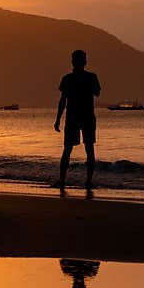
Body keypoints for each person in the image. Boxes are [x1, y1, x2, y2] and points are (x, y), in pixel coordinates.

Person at [54, 49, 101, 197]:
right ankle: (88, 181)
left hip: (72, 117)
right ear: (85, 62)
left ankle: (62, 181)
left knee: (67, 150)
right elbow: (97, 93)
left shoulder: (67, 78)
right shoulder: (91, 77)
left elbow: (63, 101)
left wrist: (57, 119)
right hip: (87, 117)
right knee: (89, 149)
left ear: (72, 62)